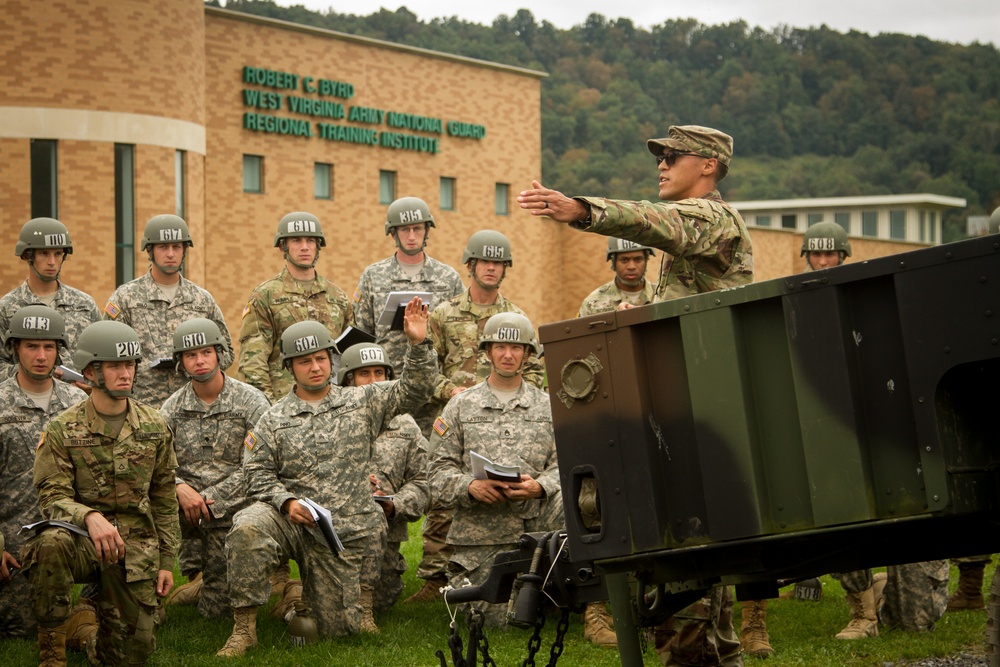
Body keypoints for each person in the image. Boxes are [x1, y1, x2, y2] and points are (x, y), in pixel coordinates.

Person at [519, 124, 752, 667]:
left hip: (697, 418)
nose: (662, 165)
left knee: (684, 562)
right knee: (703, 577)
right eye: (661, 156)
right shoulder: (700, 232)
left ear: (709, 166)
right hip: (695, 410)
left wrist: (579, 209)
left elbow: (654, 221)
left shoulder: (709, 218)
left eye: (674, 156)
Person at [217, 297, 435, 657]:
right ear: (290, 367)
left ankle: (301, 603)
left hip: (341, 530)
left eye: (321, 358)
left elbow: (415, 389)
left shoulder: (363, 401)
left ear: (332, 360)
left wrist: (418, 344)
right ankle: (244, 630)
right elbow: (255, 472)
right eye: (305, 361)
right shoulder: (274, 418)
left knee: (339, 630)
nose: (315, 367)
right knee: (248, 525)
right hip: (293, 520)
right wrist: (286, 502)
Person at [21, 320, 181, 667]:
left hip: (135, 548)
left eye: (130, 364)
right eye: (114, 365)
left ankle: (84, 630)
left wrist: (167, 562)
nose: (125, 373)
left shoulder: (154, 426)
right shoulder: (63, 428)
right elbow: (52, 497)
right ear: (91, 371)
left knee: (128, 656)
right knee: (49, 543)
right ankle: (52, 652)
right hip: (82, 541)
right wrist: (89, 516)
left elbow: (165, 498)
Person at [407, 229, 545, 604]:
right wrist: (449, 391)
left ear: (505, 269)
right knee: (444, 499)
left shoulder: (516, 318)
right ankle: (436, 578)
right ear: (470, 265)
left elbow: (535, 373)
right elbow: (424, 370)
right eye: (484, 262)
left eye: (498, 263)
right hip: (457, 413)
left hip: (511, 417)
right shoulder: (444, 314)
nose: (491, 268)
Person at [427, 312, 562, 627]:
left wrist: (540, 487)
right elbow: (436, 473)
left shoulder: (547, 407)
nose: (508, 355)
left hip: (538, 533)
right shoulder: (461, 406)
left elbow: (565, 467)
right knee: (491, 620)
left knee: (537, 611)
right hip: (480, 537)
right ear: (487, 351)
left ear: (528, 354)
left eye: (516, 348)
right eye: (500, 347)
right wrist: (469, 488)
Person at [158, 318, 269, 619]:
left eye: (206, 352)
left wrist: (209, 498)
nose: (200, 361)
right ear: (181, 362)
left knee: (216, 612)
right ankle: (145, 595)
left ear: (219, 353)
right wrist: (179, 488)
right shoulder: (170, 409)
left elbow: (260, 464)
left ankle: (208, 582)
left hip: (231, 507)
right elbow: (156, 464)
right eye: (191, 355)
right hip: (181, 505)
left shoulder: (251, 401)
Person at [0, 307, 87, 639]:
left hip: (69, 532)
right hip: (14, 543)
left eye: (49, 347)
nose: (41, 356)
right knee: (22, 630)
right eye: (31, 347)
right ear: (14, 349)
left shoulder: (78, 403)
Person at [350, 196, 463, 428]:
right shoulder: (373, 276)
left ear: (426, 231)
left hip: (433, 390)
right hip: (385, 391)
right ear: (393, 233)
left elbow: (457, 338)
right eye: (404, 230)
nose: (411, 236)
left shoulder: (448, 278)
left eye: (417, 229)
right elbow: (361, 336)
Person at [338, 342, 430, 622]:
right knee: (335, 609)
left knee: (382, 600)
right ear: (348, 380)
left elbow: (423, 480)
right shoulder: (330, 420)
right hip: (337, 534)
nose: (374, 381)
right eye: (364, 374)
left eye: (380, 373)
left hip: (386, 531)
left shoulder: (406, 424)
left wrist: (396, 504)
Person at [103, 214, 233, 408]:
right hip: (141, 407)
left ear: (184, 251)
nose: (170, 254)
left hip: (192, 408)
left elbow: (227, 352)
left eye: (176, 247)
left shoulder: (202, 300)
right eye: (163, 247)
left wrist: (196, 367)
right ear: (150, 251)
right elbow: (107, 351)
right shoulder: (125, 298)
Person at [237, 211, 351, 402]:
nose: (305, 247)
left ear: (318, 247)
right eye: (296, 241)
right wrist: (270, 410)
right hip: (284, 403)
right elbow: (252, 363)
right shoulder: (265, 296)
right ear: (283, 248)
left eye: (310, 241)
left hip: (333, 405)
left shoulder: (338, 296)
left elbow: (349, 355)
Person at [0, 217, 100, 379]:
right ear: (27, 256)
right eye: (44, 254)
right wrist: (31, 374)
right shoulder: (7, 307)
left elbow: (100, 356)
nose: (52, 262)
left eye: (58, 254)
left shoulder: (85, 304)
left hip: (79, 398)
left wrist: (90, 384)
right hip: (26, 400)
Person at [577, 237, 656, 317]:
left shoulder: (662, 296)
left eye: (638, 259)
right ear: (614, 262)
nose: (631, 267)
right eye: (624, 260)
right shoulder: (593, 303)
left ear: (646, 261)